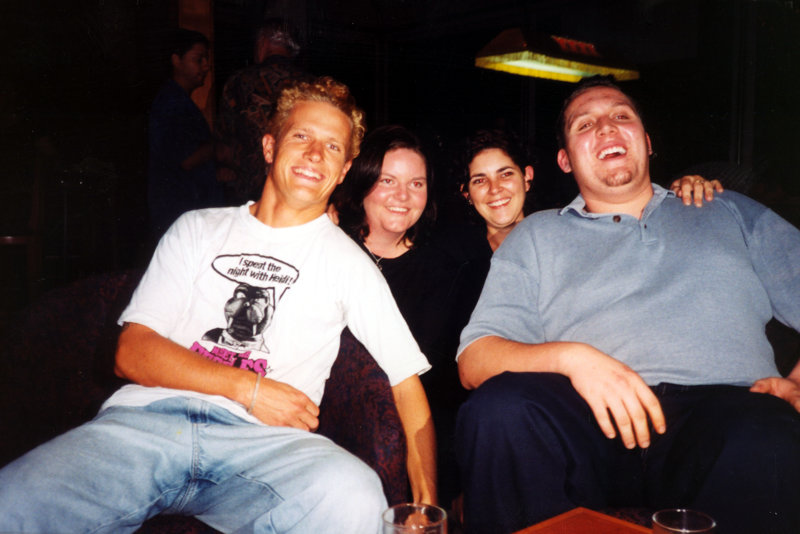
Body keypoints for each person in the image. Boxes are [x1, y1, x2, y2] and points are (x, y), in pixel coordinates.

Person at [0, 76, 436, 533]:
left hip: (265, 449)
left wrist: (426, 505)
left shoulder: (350, 264)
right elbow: (132, 352)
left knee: (355, 494)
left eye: (332, 147)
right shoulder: (197, 228)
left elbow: (406, 384)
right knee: (12, 502)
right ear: (269, 147)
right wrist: (251, 390)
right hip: (146, 425)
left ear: (344, 170)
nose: (314, 155)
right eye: (301, 136)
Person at [455, 77, 800, 534]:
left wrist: (797, 383)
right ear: (564, 159)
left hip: (726, 416)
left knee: (769, 435)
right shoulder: (536, 234)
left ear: (648, 142)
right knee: (498, 412)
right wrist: (574, 359)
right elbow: (474, 359)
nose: (606, 127)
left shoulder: (728, 210)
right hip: (589, 419)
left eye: (621, 116)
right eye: (584, 124)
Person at [333, 125, 474, 508]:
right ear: (362, 182)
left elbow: (444, 383)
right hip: (330, 425)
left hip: (415, 431)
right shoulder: (330, 248)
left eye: (416, 183)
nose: (403, 196)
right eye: (387, 180)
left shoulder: (445, 267)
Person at [218, 19, 312, 204]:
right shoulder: (312, 85)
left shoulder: (239, 81)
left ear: (263, 43)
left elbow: (223, 143)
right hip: (296, 185)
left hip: (249, 191)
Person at [147, 29, 228, 239]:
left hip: (185, 208)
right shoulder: (171, 102)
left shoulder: (180, 101)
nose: (206, 66)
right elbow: (187, 158)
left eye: (206, 60)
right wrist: (219, 148)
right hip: (178, 210)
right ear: (176, 60)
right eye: (198, 59)